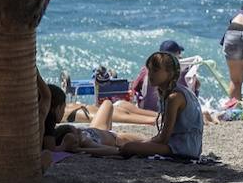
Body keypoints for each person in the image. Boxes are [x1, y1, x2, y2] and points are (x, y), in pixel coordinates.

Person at [68, 51, 205, 160]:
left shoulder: (174, 97)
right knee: (130, 143)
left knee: (129, 148)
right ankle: (87, 149)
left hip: (181, 148)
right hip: (186, 145)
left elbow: (164, 138)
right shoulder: (176, 92)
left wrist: (145, 144)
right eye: (149, 70)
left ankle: (81, 150)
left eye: (155, 70)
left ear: (169, 73)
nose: (150, 74)